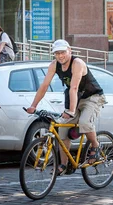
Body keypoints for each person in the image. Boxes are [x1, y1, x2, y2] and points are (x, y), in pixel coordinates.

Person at [26, 40, 106, 175]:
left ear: (70, 51)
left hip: (92, 97)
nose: (60, 56)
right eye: (57, 53)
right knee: (62, 131)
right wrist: (33, 105)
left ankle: (95, 147)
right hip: (76, 99)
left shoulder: (77, 63)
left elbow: (74, 88)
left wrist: (71, 111)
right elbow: (44, 86)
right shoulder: (54, 65)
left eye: (63, 52)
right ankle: (64, 164)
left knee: (84, 122)